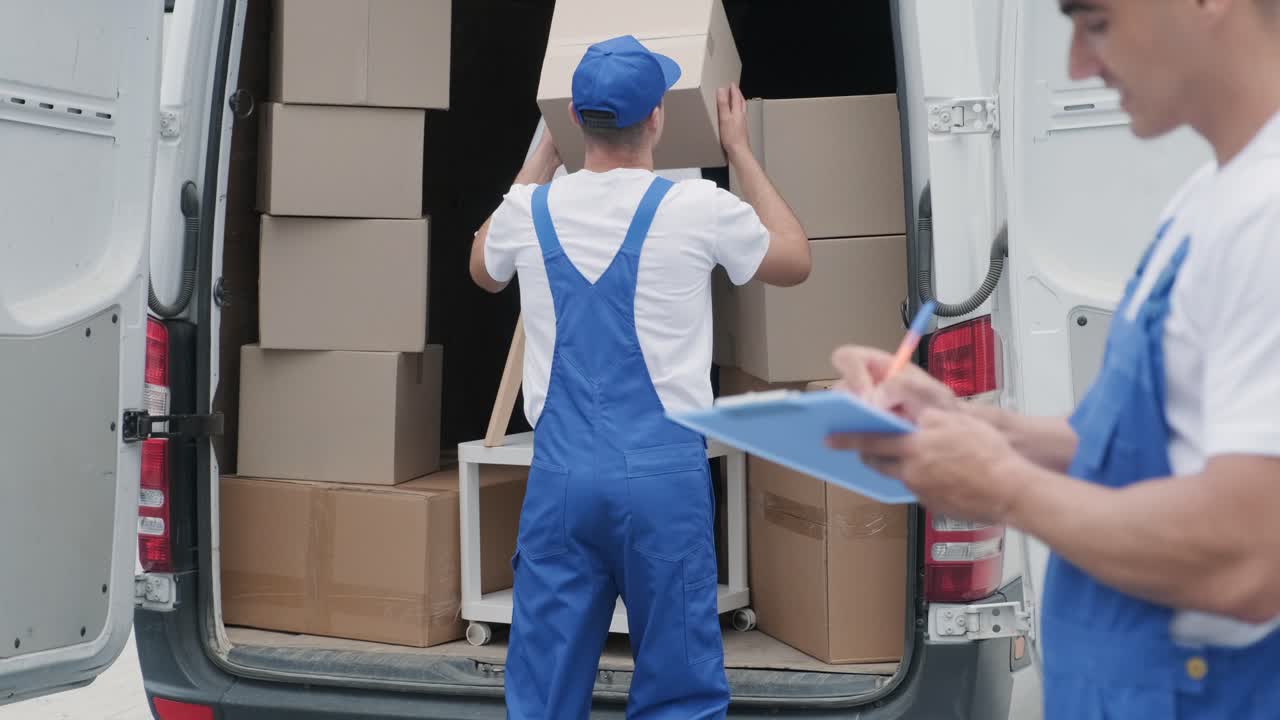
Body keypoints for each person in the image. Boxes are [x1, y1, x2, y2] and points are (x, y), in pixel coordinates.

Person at [826, 1, 1280, 717]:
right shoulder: (1208, 199)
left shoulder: (1267, 218)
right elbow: (1121, 446)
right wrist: (963, 426)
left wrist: (1002, 487)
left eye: (1095, 22)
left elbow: (1247, 558)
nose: (1077, 65)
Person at [469, 35, 810, 719]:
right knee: (678, 684)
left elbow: (482, 268)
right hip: (661, 482)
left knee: (543, 685)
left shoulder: (527, 213)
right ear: (657, 117)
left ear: (573, 119)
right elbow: (794, 259)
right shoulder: (694, 206)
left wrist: (541, 152)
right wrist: (738, 148)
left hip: (561, 481)